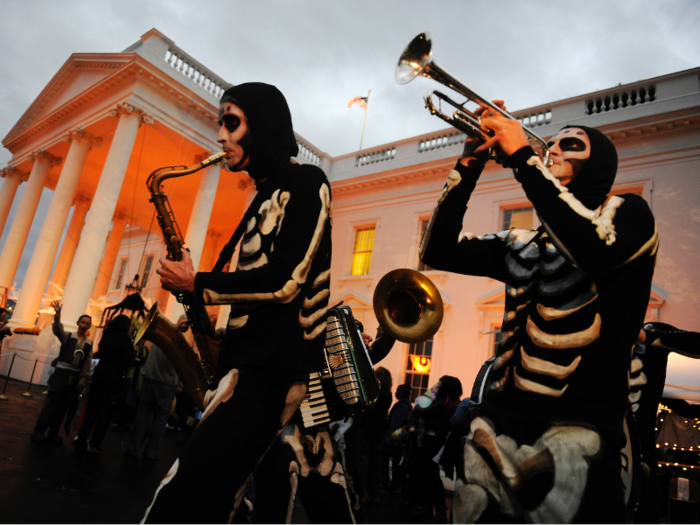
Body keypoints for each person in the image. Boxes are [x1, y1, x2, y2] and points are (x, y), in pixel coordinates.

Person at [420, 104, 659, 523]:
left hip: (580, 428)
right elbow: (436, 250)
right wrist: (469, 162)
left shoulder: (629, 214)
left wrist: (523, 160)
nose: (552, 149)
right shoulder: (523, 242)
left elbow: (593, 251)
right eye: (551, 143)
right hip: (495, 423)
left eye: (571, 145)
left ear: (599, 162)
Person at [142, 82, 332, 524]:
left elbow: (286, 282)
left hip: (268, 377)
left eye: (231, 122)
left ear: (262, 127)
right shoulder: (259, 195)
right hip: (246, 370)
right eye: (219, 123)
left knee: (178, 502)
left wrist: (197, 284)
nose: (221, 136)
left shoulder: (306, 181)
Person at [629, 323, 700, 525]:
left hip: (641, 444)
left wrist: (649, 336)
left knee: (645, 496)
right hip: (611, 437)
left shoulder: (650, 330)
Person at [31, 301, 93, 444]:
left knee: (63, 408)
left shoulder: (89, 344)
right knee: (51, 405)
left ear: (89, 326)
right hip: (60, 377)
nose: (84, 325)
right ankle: (39, 431)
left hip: (73, 380)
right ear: (78, 323)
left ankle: (53, 433)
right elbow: (58, 330)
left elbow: (87, 365)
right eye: (82, 322)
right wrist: (57, 315)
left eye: (87, 323)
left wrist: (84, 380)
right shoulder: (68, 337)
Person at [73, 314, 134, 451]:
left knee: (91, 408)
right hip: (114, 378)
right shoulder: (125, 341)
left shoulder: (106, 337)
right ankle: (95, 442)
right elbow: (128, 362)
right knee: (105, 412)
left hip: (100, 375)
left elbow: (100, 353)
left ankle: (82, 437)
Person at [124, 320, 182, 461]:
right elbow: (179, 362)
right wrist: (179, 382)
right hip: (167, 383)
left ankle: (133, 449)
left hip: (150, 378)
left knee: (142, 415)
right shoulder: (178, 340)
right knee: (160, 420)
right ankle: (151, 452)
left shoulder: (159, 336)